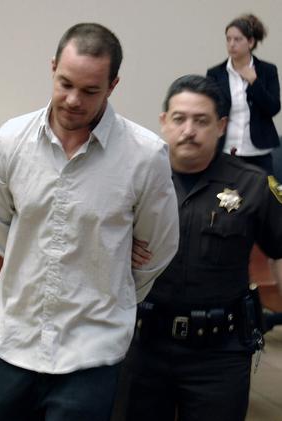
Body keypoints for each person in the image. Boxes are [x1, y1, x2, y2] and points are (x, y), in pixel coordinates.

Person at [0, 23, 179, 421]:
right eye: (64, 83)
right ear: (53, 67)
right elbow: (2, 229)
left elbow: (158, 248)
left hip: (93, 345)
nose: (72, 100)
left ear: (112, 84)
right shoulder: (11, 140)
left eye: (90, 91)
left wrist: (114, 288)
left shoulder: (144, 156)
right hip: (17, 335)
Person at [114, 75, 282, 421]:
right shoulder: (133, 179)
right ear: (164, 122)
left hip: (219, 353)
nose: (188, 130)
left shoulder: (253, 185)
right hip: (143, 345)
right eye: (179, 118)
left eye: (201, 120)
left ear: (220, 126)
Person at [207, 14, 281, 175]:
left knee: (264, 197)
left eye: (237, 39)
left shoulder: (267, 70)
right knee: (226, 198)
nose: (231, 44)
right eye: (228, 39)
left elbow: (273, 108)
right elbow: (210, 109)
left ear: (250, 42)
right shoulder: (215, 74)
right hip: (226, 150)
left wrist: (254, 82)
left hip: (258, 151)